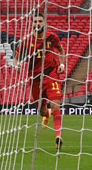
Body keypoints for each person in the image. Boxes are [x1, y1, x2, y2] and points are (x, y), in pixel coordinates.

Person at [15, 13, 67, 150]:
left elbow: (61, 50)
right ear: (32, 24)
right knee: (42, 111)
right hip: (35, 78)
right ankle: (47, 113)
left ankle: (58, 136)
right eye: (35, 21)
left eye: (40, 21)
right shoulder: (26, 41)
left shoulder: (52, 37)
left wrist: (62, 64)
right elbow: (16, 58)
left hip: (51, 74)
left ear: (44, 23)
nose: (38, 23)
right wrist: (17, 65)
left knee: (56, 105)